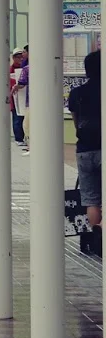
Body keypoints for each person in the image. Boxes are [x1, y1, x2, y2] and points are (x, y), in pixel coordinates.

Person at [69, 50, 101, 256]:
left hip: (85, 149)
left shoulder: (77, 93)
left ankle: (94, 241)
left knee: (91, 199)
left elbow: (75, 120)